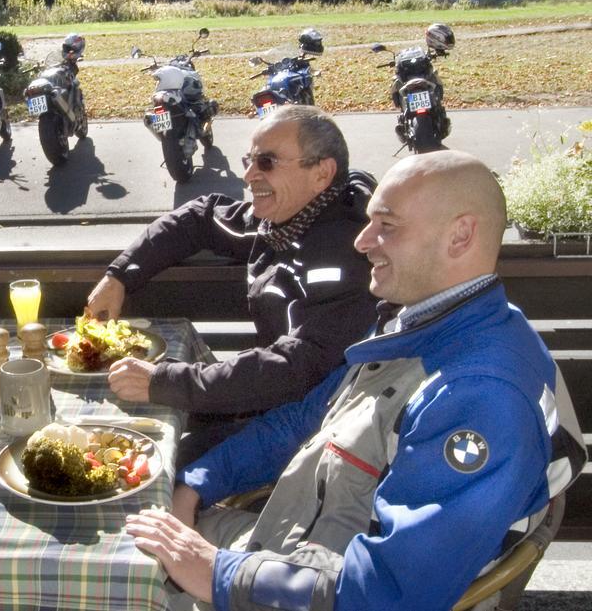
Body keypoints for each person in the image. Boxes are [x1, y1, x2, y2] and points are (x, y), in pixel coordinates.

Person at [124, 151, 587, 610]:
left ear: (461, 235)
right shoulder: (420, 322)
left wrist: (215, 572)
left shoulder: (477, 396)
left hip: (321, 582)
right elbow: (308, 420)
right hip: (296, 539)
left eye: (387, 225)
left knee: (121, 570)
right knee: (133, 522)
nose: (363, 242)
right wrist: (198, 484)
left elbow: (389, 592)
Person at [87, 105, 376, 464]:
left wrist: (166, 381)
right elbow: (201, 216)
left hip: (313, 431)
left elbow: (294, 367)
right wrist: (119, 276)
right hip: (261, 403)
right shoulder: (281, 221)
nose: (248, 175)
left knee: (141, 461)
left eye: (266, 162)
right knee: (111, 432)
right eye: (248, 160)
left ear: (322, 173)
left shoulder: (349, 255)